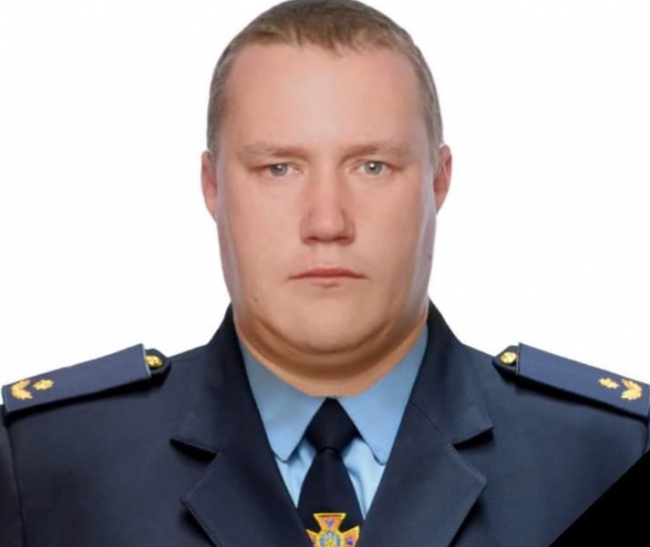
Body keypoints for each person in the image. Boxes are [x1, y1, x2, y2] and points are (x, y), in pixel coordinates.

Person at [1, 1, 648, 546]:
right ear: (211, 186)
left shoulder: (609, 456)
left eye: (372, 166)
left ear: (438, 181)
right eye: (279, 168)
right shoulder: (43, 464)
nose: (328, 221)